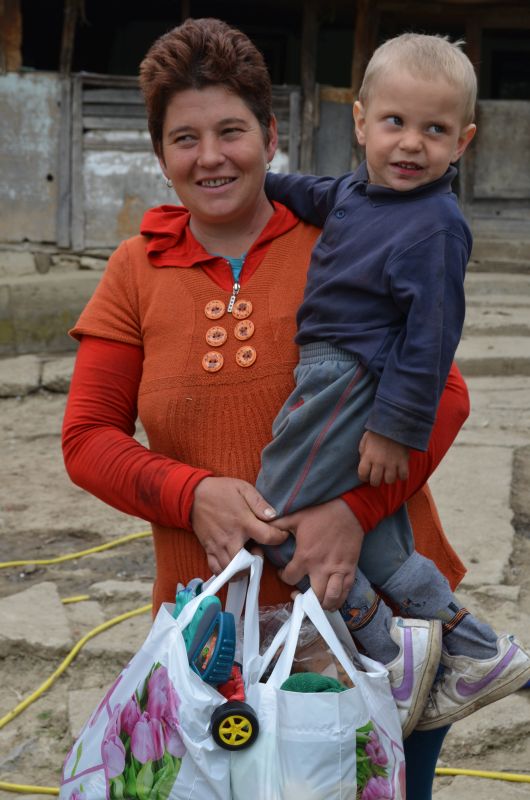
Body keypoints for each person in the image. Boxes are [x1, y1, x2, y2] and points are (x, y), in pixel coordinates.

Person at [62, 18, 472, 797]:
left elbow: (443, 394)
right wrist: (193, 495)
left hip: (380, 627)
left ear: (271, 136)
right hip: (218, 636)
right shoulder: (135, 269)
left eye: (231, 131)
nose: (210, 157)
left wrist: (352, 511)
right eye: (185, 139)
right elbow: (86, 438)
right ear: (160, 155)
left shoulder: (344, 235)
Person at [256, 31, 530, 734]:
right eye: (395, 122)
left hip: (347, 377)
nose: (411, 144)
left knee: (272, 514)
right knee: (377, 541)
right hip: (334, 373)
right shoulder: (356, 192)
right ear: (361, 122)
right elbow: (309, 192)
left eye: (434, 130)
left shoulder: (435, 225)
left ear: (463, 141)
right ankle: (477, 650)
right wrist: (255, 178)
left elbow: (431, 339)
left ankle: (388, 648)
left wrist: (393, 428)